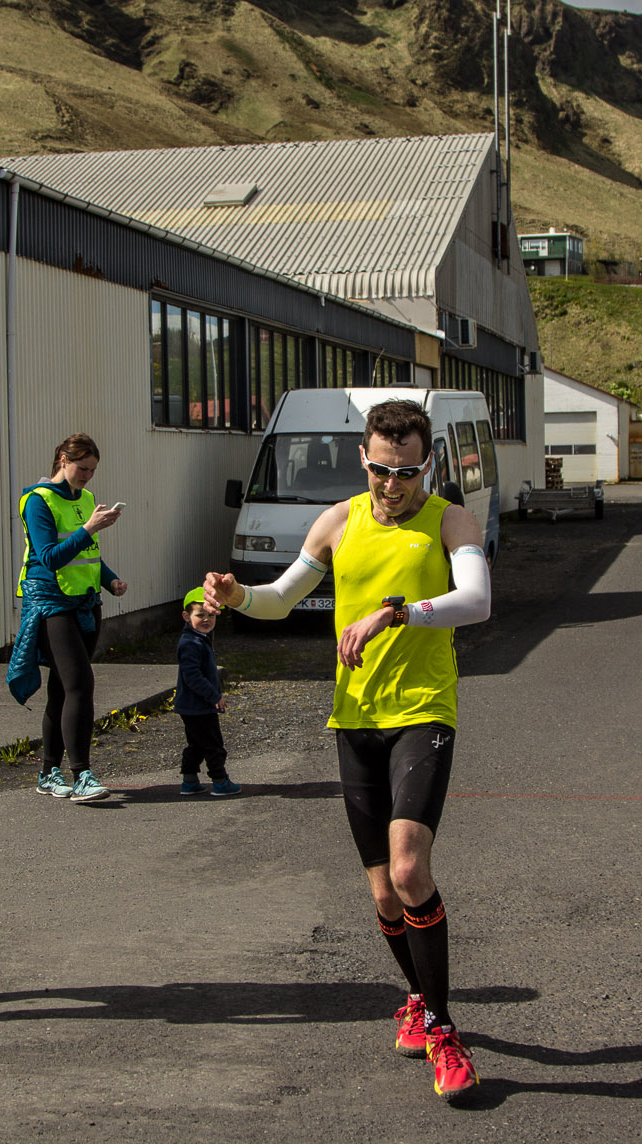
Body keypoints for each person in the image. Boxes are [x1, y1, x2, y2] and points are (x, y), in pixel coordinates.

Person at [204, 399, 491, 1103]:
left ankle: (444, 1032)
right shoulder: (337, 522)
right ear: (363, 457)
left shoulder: (450, 520)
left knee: (409, 866)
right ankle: (417, 999)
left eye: (407, 472)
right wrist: (237, 595)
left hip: (423, 713)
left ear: (428, 464)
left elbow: (477, 601)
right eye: (381, 470)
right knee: (383, 892)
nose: (392, 485)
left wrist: (396, 612)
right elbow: (280, 598)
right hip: (355, 720)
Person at [5, 433, 126, 804]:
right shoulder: (37, 500)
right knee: (80, 684)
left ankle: (48, 772)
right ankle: (81, 774)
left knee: (62, 688)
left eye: (92, 470)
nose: (87, 476)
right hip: (51, 602)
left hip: (85, 603)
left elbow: (88, 554)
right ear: (63, 460)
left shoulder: (86, 499)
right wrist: (90, 528)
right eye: (82, 468)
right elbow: (50, 556)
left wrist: (109, 580)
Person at [173, 586, 238, 798]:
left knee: (197, 744)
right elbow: (192, 676)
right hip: (198, 706)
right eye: (200, 615)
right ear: (186, 616)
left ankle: (189, 781)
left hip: (194, 706)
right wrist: (214, 696)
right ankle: (220, 781)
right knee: (213, 745)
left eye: (211, 615)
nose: (206, 620)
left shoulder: (200, 638)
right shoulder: (191, 643)